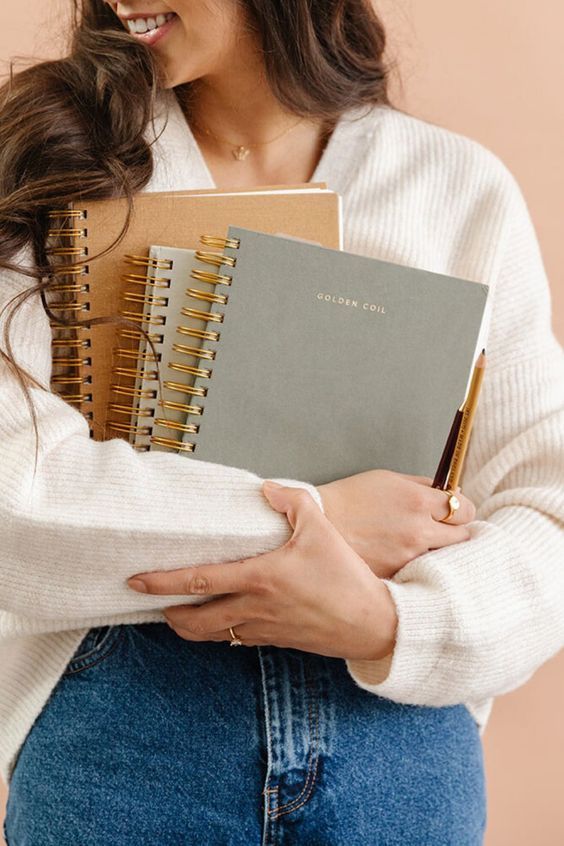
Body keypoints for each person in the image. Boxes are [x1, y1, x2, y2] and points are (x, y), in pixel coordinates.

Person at [0, 1, 562, 843]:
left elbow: (546, 504)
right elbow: (14, 496)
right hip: (125, 737)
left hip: (394, 746)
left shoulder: (455, 187)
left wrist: (390, 624)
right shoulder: (52, 162)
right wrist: (318, 521)